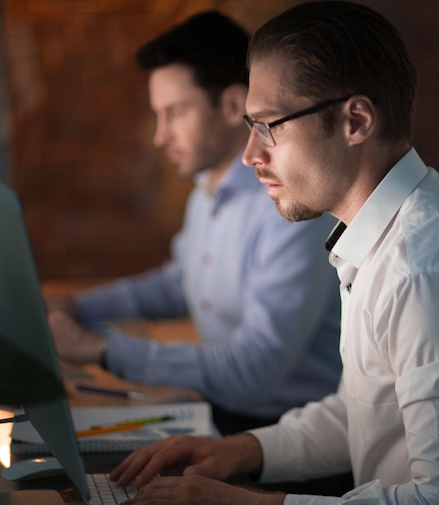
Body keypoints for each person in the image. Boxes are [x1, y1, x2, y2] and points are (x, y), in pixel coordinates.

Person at [106, 2, 439, 504]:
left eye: (269, 126)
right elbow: (366, 408)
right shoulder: (385, 232)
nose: (249, 155)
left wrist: (246, 503)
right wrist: (240, 451)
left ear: (355, 121)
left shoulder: (428, 271)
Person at [46, 10, 342, 436]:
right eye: (158, 115)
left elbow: (254, 370)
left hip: (288, 436)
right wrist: (76, 307)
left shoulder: (289, 208)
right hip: (223, 413)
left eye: (175, 113)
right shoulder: (208, 187)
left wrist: (103, 349)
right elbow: (182, 283)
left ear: (231, 105)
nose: (160, 136)